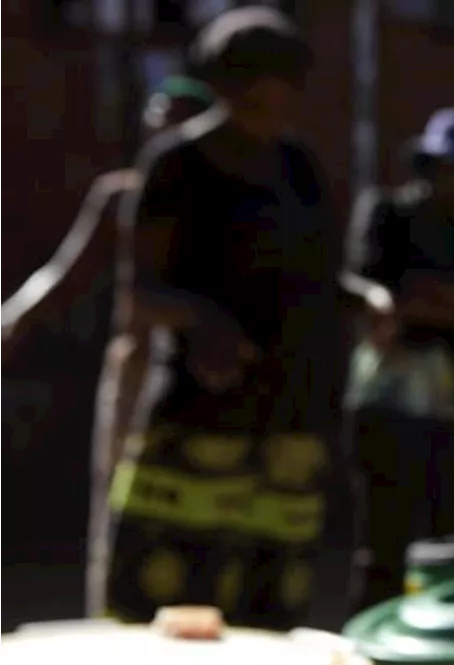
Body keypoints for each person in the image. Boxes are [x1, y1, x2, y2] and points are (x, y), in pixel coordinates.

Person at [105, 7, 351, 629]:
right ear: (223, 85)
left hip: (290, 415)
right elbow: (141, 293)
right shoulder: (176, 166)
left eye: (282, 90)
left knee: (268, 607)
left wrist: (366, 301)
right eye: (254, 90)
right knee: (170, 594)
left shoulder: (301, 169)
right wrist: (206, 321)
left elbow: (320, 278)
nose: (271, 104)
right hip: (201, 418)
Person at [0, 75, 217, 616]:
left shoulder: (222, 205)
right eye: (162, 116)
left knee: (201, 514)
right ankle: (117, 621)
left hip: (205, 381)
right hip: (136, 375)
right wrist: (11, 322)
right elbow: (63, 275)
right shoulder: (122, 196)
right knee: (124, 508)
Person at [344, 106, 454, 614]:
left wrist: (422, 301)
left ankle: (443, 652)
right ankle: (372, 645)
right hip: (390, 407)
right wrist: (432, 304)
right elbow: (374, 288)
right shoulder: (386, 217)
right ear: (431, 167)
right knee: (383, 542)